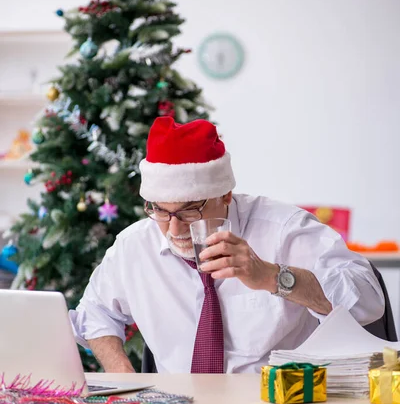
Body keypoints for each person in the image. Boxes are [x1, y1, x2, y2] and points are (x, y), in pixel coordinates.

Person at [70, 116, 384, 373]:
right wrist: (124, 377)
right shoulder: (135, 245)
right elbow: (94, 312)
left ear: (225, 195)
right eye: (161, 211)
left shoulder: (283, 229)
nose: (175, 228)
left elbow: (368, 301)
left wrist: (275, 277)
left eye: (190, 210)